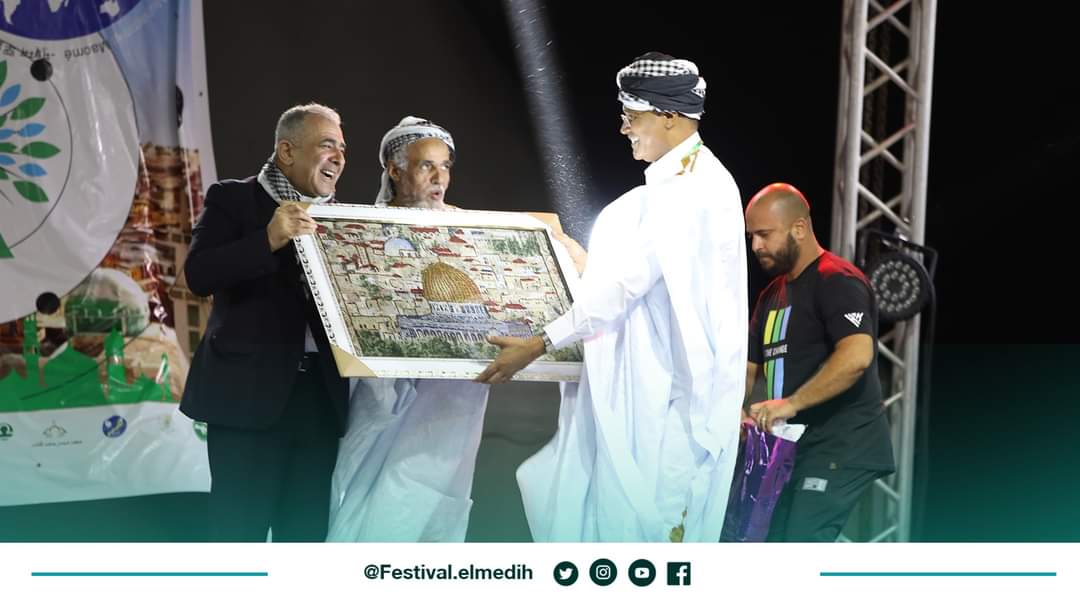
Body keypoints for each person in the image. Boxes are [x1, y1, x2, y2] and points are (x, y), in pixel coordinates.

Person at [477, 52, 748, 542]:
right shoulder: (671, 188)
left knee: (649, 540)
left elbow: (624, 287)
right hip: (651, 399)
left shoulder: (691, 189)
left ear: (668, 116)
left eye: (632, 116)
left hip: (672, 411)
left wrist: (537, 344)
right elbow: (639, 282)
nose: (624, 128)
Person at [180, 103, 350, 542]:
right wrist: (269, 238)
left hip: (319, 402)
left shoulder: (344, 220)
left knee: (305, 539)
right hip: (246, 400)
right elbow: (199, 275)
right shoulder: (232, 199)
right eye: (327, 145)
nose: (338, 157)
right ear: (287, 152)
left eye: (342, 149)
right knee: (237, 537)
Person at [326, 116, 491, 541]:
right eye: (426, 166)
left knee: (430, 490)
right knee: (370, 488)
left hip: (450, 396)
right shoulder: (362, 232)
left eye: (445, 166)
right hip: (381, 388)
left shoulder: (470, 229)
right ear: (395, 171)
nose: (440, 178)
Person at [743, 182, 895, 541]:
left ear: (799, 228)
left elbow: (856, 356)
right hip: (791, 449)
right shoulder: (770, 296)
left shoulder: (837, 280)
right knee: (769, 545)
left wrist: (790, 404)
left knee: (800, 543)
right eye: (751, 237)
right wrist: (738, 412)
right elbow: (748, 370)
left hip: (840, 444)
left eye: (764, 234)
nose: (756, 246)